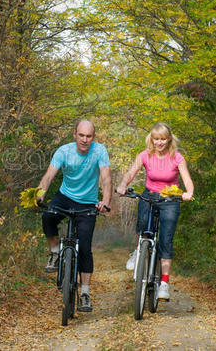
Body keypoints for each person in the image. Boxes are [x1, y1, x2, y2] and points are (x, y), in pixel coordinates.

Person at [37, 119, 112, 312]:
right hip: (64, 197)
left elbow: (106, 178)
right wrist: (39, 193)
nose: (85, 140)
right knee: (47, 217)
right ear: (74, 135)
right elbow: (49, 175)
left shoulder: (99, 151)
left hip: (88, 202)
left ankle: (85, 293)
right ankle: (54, 252)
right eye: (81, 135)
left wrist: (105, 201)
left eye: (88, 136)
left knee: (85, 247)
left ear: (93, 137)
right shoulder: (64, 151)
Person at [115, 122, 194, 301]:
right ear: (151, 139)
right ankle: (137, 251)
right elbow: (130, 173)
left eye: (163, 139)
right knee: (142, 224)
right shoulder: (144, 155)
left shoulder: (177, 157)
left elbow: (187, 180)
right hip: (149, 195)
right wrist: (122, 185)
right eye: (156, 139)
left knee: (166, 239)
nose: (159, 143)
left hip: (170, 199)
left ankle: (164, 283)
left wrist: (188, 193)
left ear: (169, 140)